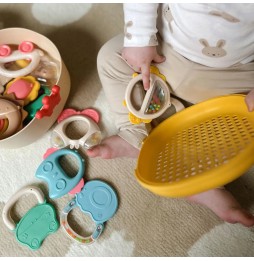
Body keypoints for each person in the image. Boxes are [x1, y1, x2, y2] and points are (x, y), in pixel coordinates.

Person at [86, 3, 254, 227]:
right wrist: (139, 39)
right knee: (110, 57)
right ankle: (133, 134)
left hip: (234, 74)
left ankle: (201, 178)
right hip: (164, 53)